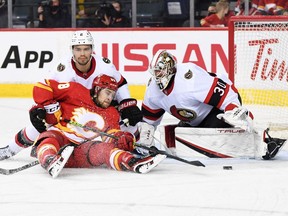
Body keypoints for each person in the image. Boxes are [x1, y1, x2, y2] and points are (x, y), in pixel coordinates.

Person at [0, 30, 142, 161]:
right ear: (72, 50)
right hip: (72, 108)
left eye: (86, 49)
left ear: (92, 50)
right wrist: (39, 109)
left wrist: (126, 103)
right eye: (78, 49)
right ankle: (10, 150)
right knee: (41, 123)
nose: (82, 53)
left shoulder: (105, 66)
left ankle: (139, 147)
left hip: (100, 107)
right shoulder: (62, 69)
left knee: (129, 121)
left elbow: (121, 83)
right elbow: (46, 89)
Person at [139, 50, 286, 160]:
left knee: (224, 127)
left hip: (219, 106)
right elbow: (148, 121)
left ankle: (266, 141)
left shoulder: (190, 79)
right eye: (155, 72)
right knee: (184, 135)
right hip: (196, 118)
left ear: (170, 69)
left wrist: (233, 111)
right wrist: (144, 140)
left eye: (160, 71)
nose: (157, 76)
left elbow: (226, 94)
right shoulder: (152, 91)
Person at [32, 74, 165, 177]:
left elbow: (112, 135)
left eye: (113, 94)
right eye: (107, 92)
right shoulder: (75, 90)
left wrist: (122, 138)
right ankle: (49, 159)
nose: (110, 97)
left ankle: (131, 162)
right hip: (60, 138)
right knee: (50, 137)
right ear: (97, 89)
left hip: (79, 151)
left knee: (103, 150)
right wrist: (47, 105)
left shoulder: (111, 112)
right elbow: (43, 86)